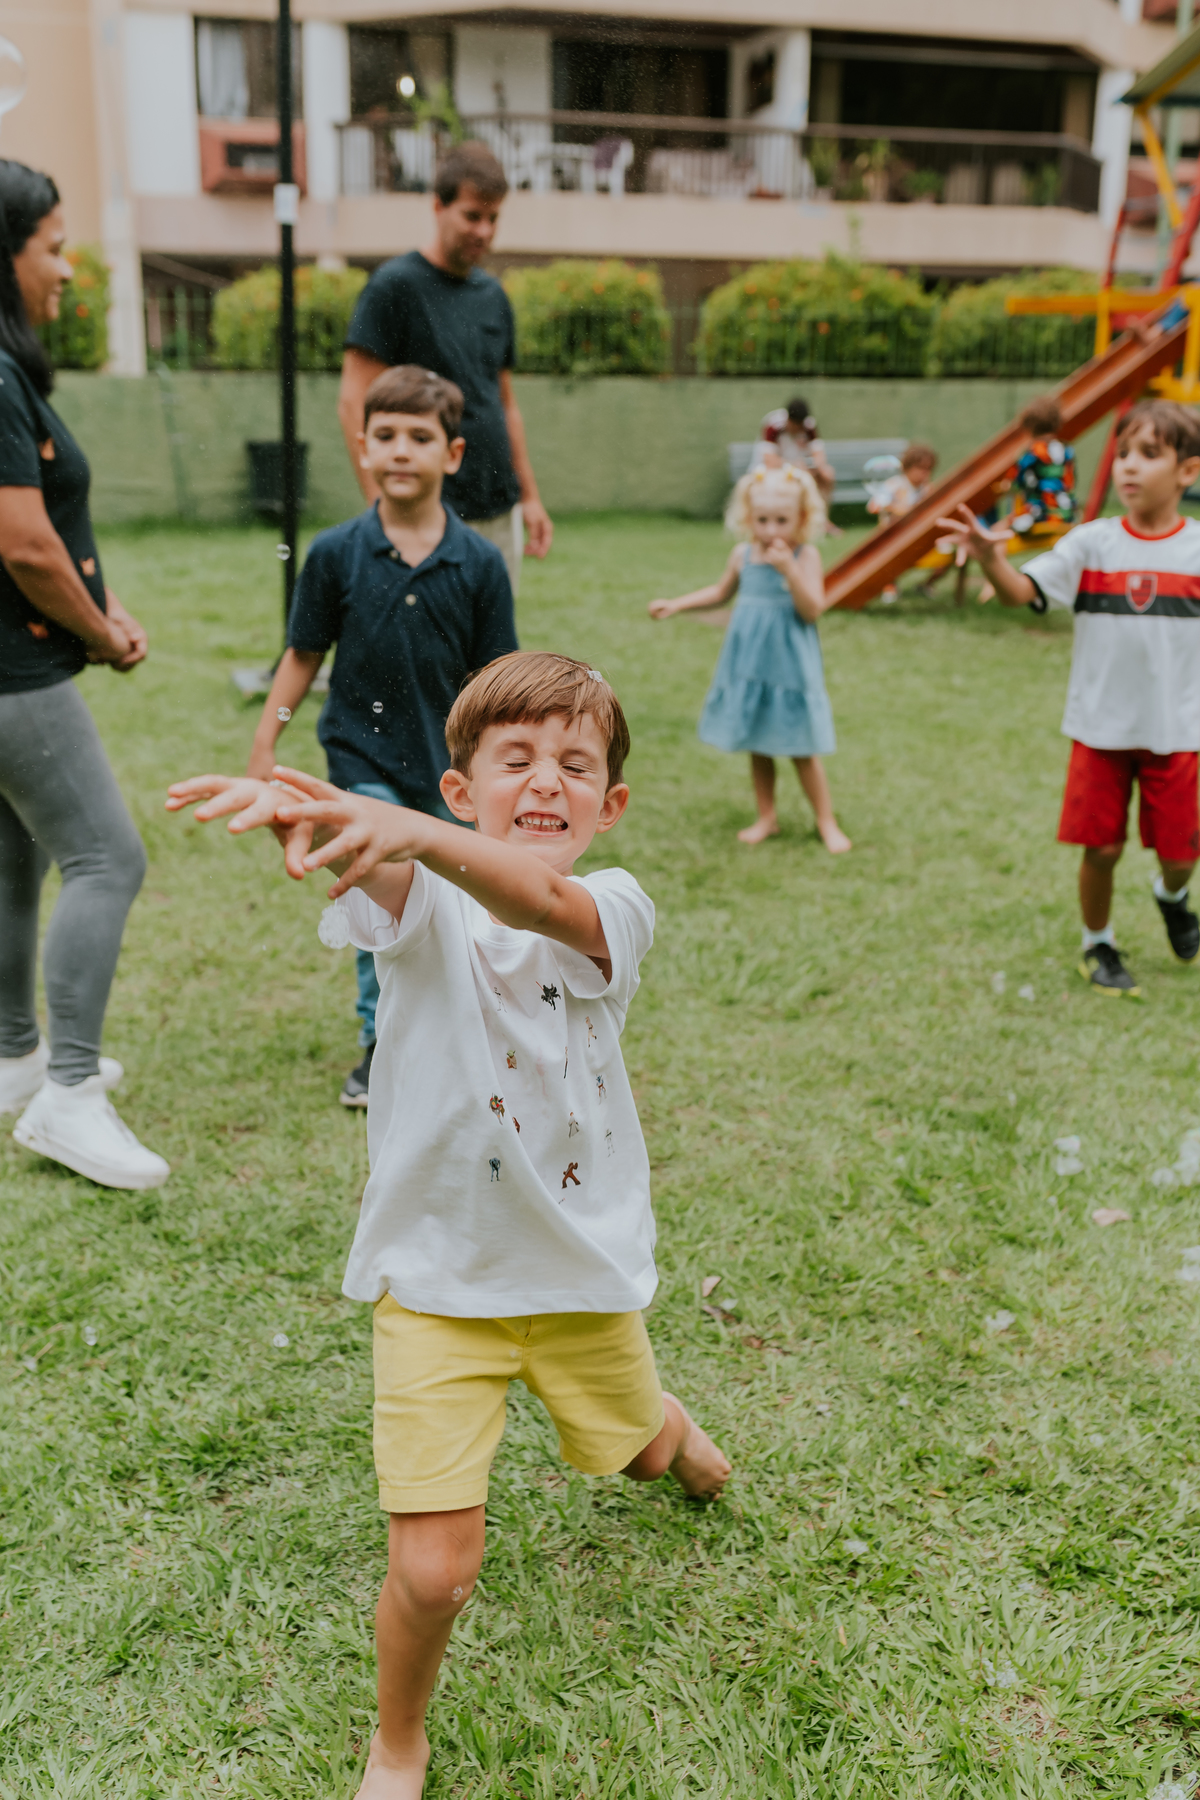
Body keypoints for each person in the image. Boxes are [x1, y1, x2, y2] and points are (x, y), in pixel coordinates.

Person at [165, 651, 731, 1800]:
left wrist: (411, 830)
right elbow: (400, 875)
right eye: (513, 759)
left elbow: (542, 900)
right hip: (438, 1293)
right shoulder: (418, 903)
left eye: (576, 766)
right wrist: (339, 826)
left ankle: (676, 1440)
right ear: (459, 787)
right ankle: (397, 1744)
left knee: (642, 1450)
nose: (546, 782)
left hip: (579, 1284)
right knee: (434, 1573)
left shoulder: (613, 906)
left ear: (610, 806)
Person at [249, 364, 517, 1108]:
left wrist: (504, 774)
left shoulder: (481, 564)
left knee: (455, 906)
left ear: (452, 455)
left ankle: (468, 1029)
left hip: (448, 775)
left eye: (420, 437)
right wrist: (266, 744)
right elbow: (303, 655)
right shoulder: (335, 553)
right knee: (378, 902)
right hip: (360, 763)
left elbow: (496, 682)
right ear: (363, 448)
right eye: (386, 436)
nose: (402, 450)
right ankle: (380, 1043)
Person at [0, 160, 167, 1190]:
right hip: (17, 679)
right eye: (54, 244)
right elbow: (21, 542)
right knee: (109, 860)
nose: (68, 268)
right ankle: (68, 1094)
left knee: (16, 858)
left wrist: (99, 615)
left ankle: (16, 1054)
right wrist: (101, 631)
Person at [938, 399, 1200, 998]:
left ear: (1188, 471)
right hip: (1100, 730)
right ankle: (1097, 943)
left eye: (1149, 455)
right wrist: (991, 559)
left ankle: (1173, 896)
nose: (1129, 467)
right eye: (1125, 453)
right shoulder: (1091, 545)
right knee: (1101, 848)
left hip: (1179, 732)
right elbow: (1020, 593)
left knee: (1182, 856)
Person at [338, 142, 552, 597]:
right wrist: (381, 507)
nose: (485, 231)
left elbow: (505, 404)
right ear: (438, 206)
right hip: (425, 508)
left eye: (494, 219)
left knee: (492, 658)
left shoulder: (494, 296)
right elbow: (354, 399)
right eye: (472, 215)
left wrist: (529, 496)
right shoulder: (393, 286)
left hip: (496, 507)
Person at [648, 462, 851, 853]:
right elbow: (720, 593)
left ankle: (826, 821)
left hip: (789, 666)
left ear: (802, 519)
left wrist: (789, 570)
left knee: (802, 749)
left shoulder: (805, 556)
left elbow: (813, 609)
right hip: (750, 664)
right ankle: (766, 817)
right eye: (762, 520)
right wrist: (676, 604)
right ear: (748, 517)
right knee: (758, 742)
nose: (771, 530)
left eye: (781, 520)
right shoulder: (742, 554)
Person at [867, 442, 938, 605]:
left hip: (917, 537)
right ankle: (890, 586)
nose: (925, 473)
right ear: (907, 467)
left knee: (949, 552)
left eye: (929, 469)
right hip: (892, 536)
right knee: (891, 555)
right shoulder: (894, 485)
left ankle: (925, 585)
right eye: (921, 468)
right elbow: (873, 506)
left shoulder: (927, 489)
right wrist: (898, 508)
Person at [753, 396, 836, 504]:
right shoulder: (773, 424)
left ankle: (821, 516)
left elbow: (819, 454)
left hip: (800, 469)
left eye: (800, 427)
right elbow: (769, 460)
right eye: (795, 426)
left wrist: (816, 466)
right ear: (788, 419)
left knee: (827, 474)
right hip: (773, 469)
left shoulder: (808, 426)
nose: (798, 430)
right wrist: (794, 466)